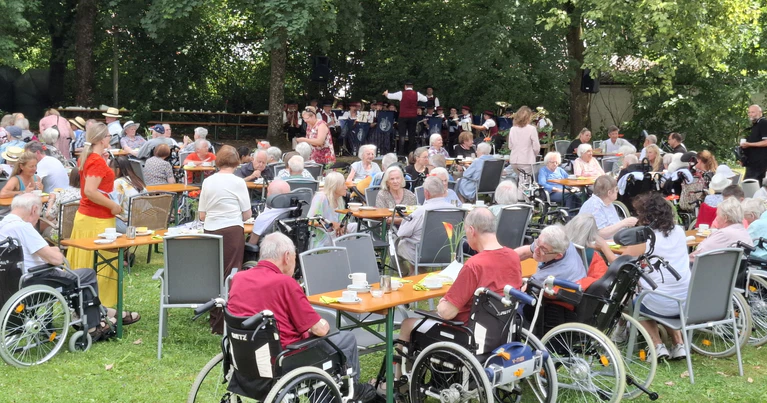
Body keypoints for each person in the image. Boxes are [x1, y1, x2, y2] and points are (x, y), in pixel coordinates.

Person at [227, 233, 377, 401]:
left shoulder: (238, 278)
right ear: (287, 257)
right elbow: (319, 330)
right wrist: (323, 323)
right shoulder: (284, 283)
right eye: (294, 258)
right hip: (284, 358)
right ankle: (349, 392)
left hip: (244, 355)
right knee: (346, 339)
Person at [0, 194, 124, 341]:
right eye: (38, 216)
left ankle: (106, 312)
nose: (37, 221)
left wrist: (50, 252)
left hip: (10, 285)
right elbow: (57, 259)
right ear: (33, 209)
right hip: (35, 281)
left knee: (74, 277)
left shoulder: (3, 225)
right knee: (86, 275)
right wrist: (55, 251)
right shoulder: (23, 227)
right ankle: (93, 327)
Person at [395, 207, 522, 347]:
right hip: (500, 331)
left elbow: (447, 313)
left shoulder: (475, 265)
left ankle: (401, 362)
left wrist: (442, 303)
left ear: (472, 231)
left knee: (408, 324)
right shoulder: (513, 257)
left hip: (465, 334)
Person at [623, 192, 691, 360]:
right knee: (663, 292)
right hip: (686, 301)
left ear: (645, 216)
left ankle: (657, 345)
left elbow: (622, 262)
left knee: (637, 299)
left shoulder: (645, 239)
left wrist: (602, 246)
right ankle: (678, 343)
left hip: (661, 303)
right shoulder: (680, 232)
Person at [67, 122, 124, 308]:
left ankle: (88, 306)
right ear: (101, 140)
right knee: (100, 265)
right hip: (96, 219)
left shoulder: (90, 158)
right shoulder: (95, 161)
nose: (110, 139)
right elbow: (90, 191)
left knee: (87, 262)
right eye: (108, 136)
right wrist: (113, 205)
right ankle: (100, 307)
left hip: (90, 217)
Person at [198, 145, 251, 334]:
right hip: (232, 229)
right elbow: (247, 214)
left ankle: (216, 319)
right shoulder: (238, 182)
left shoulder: (208, 181)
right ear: (236, 161)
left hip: (211, 228)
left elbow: (202, 214)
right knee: (231, 273)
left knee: (214, 272)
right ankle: (229, 317)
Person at [396, 177, 454, 275]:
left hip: (423, 254)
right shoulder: (455, 210)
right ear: (443, 191)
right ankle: (419, 272)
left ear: (426, 193)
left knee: (402, 243)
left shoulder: (420, 212)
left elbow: (401, 233)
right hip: (449, 252)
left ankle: (415, 273)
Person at [514, 224, 587, 284]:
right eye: (537, 242)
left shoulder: (546, 276)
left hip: (559, 293)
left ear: (558, 256)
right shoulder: (560, 240)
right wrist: (507, 256)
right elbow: (525, 252)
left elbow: (522, 292)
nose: (536, 250)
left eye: (543, 249)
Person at [308, 171, 356, 247]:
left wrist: (342, 226)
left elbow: (341, 221)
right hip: (323, 236)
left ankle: (353, 251)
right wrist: (332, 224)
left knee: (356, 227)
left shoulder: (339, 200)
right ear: (335, 186)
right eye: (343, 184)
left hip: (335, 234)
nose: (346, 187)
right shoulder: (321, 197)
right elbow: (310, 221)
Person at [385, 81, 428, 155]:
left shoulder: (401, 93)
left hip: (403, 117)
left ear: (405, 86)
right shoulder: (416, 94)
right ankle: (411, 153)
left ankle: (401, 153)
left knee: (402, 135)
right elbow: (425, 99)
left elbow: (389, 96)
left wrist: (386, 93)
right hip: (413, 117)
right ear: (412, 87)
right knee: (412, 135)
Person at [247, 180, 294, 246]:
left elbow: (252, 243)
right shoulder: (296, 211)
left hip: (268, 250)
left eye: (268, 191)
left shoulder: (264, 218)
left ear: (270, 195)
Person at [111, 156, 146, 233]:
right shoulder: (138, 181)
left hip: (128, 225)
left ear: (118, 170)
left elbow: (115, 208)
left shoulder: (118, 183)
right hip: (145, 223)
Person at [507, 106, 541, 173]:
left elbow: (510, 146)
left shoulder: (512, 129)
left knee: (519, 178)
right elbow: (536, 147)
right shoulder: (532, 129)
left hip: (514, 160)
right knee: (525, 179)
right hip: (526, 160)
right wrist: (533, 155)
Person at [742, 105, 767, 181]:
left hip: (759, 163)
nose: (750, 114)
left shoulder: (763, 123)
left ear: (760, 112)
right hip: (752, 162)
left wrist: (749, 144)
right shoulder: (755, 125)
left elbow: (766, 142)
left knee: (749, 184)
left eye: (753, 112)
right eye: (749, 112)